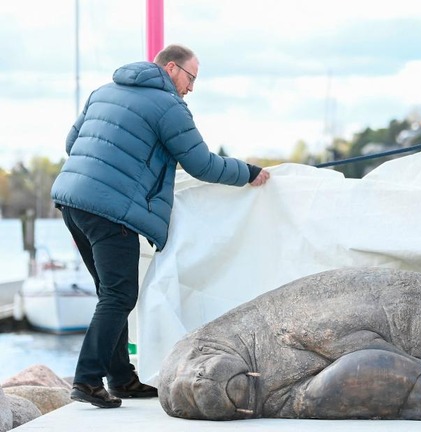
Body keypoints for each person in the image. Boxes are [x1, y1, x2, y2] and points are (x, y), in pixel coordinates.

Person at [50, 44, 271, 409]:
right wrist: (248, 173)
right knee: (119, 296)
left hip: (72, 201)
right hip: (111, 212)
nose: (192, 88)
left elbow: (72, 143)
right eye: (191, 77)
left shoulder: (103, 92)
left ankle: (121, 378)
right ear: (172, 68)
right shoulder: (169, 107)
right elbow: (201, 164)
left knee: (111, 294)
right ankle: (87, 380)